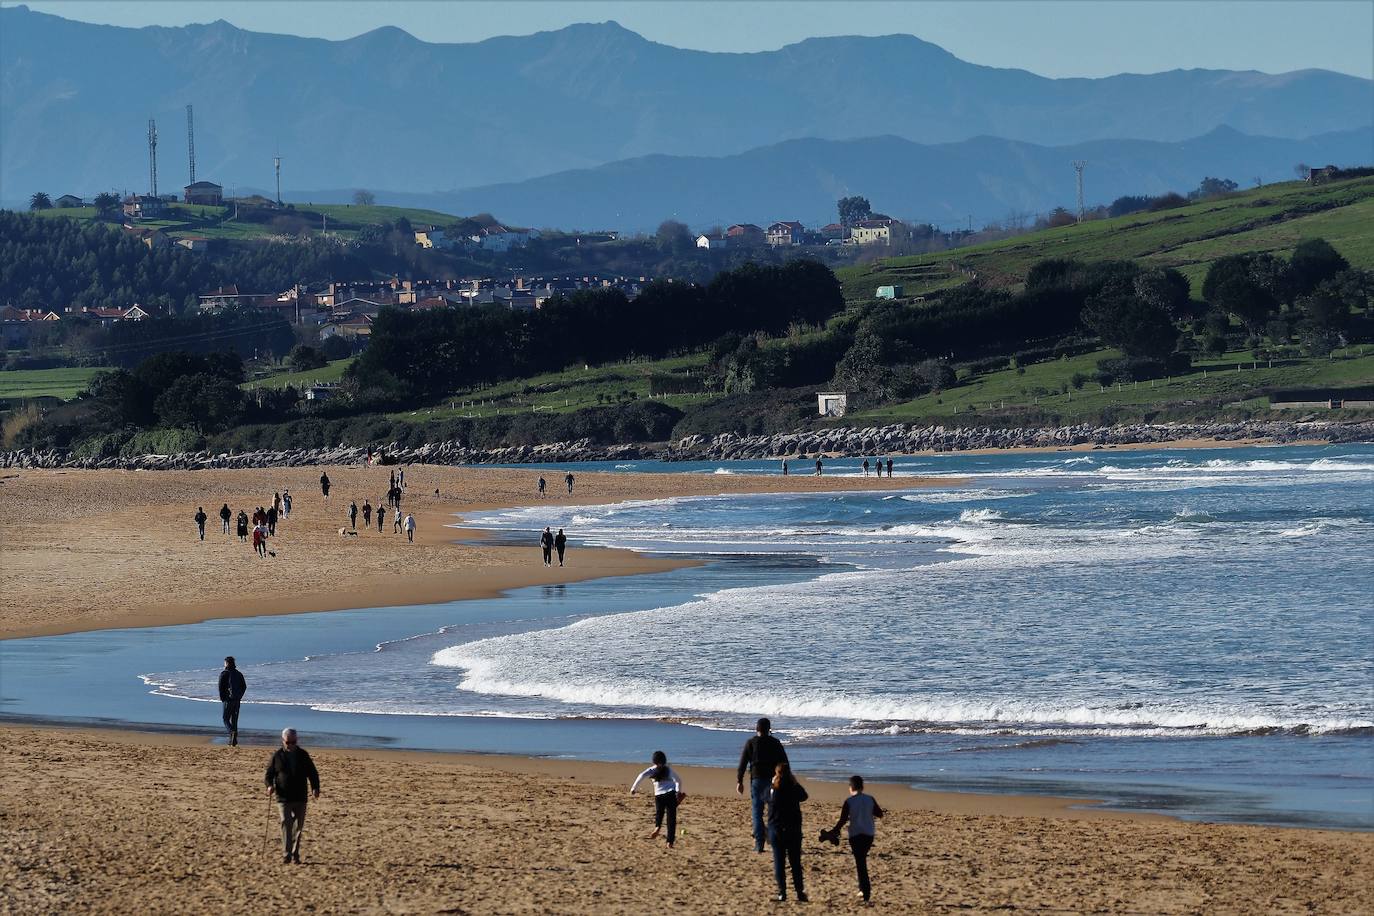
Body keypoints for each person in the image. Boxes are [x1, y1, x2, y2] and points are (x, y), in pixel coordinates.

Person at [825, 775, 885, 903]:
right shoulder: (870, 799)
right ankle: (862, 888)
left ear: (851, 787)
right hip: (869, 834)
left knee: (860, 862)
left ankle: (865, 890)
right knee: (861, 860)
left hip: (855, 835)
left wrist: (834, 831)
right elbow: (880, 814)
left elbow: (842, 820)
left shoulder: (849, 801)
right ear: (862, 787)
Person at [264, 728, 321, 865]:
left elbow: (312, 773)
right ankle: (286, 854)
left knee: (298, 827)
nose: (291, 745)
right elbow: (269, 775)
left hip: (300, 797)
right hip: (283, 797)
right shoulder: (277, 756)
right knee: (286, 823)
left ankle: (295, 853)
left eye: (293, 742)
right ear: (283, 741)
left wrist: (315, 787)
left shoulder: (303, 755)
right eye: (288, 742)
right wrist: (269, 786)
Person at [736, 717, 790, 853]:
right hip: (773, 781)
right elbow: (784, 763)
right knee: (773, 812)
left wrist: (739, 781)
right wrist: (786, 780)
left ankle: (759, 843)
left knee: (757, 812)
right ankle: (776, 840)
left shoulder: (751, 743)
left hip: (757, 780)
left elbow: (742, 764)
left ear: (756, 729)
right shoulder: (775, 743)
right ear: (769, 729)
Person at [768, 763, 808, 902]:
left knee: (779, 861)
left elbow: (764, 797)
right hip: (793, 828)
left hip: (776, 828)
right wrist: (796, 783)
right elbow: (804, 796)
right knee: (795, 862)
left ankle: (782, 892)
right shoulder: (793, 789)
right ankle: (799, 891)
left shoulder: (774, 790)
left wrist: (772, 783)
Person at [630, 750, 684, 848]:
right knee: (671, 819)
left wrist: (634, 788)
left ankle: (657, 827)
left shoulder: (651, 770)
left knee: (659, 812)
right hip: (670, 795)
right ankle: (669, 843)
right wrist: (678, 792)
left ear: (653, 761)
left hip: (659, 796)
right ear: (665, 760)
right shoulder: (668, 770)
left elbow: (641, 776)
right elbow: (678, 781)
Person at [218, 656, 247, 746]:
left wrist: (223, 698)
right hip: (237, 700)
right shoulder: (239, 673)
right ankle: (233, 741)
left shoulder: (224, 673)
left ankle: (232, 732)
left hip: (228, 700)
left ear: (226, 663)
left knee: (225, 719)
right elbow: (244, 686)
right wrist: (239, 696)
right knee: (234, 720)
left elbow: (220, 687)